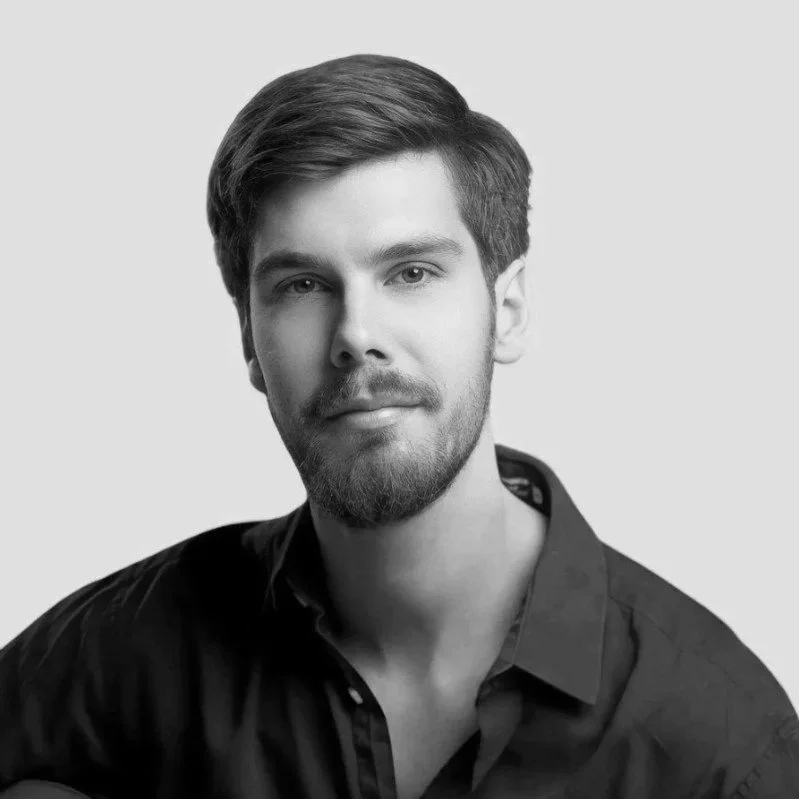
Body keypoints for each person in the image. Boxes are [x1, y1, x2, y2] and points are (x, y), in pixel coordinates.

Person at [0, 54, 796, 799]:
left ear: (507, 310)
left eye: (410, 273)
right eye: (304, 284)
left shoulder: (715, 741)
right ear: (249, 338)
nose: (355, 334)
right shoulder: (134, 649)